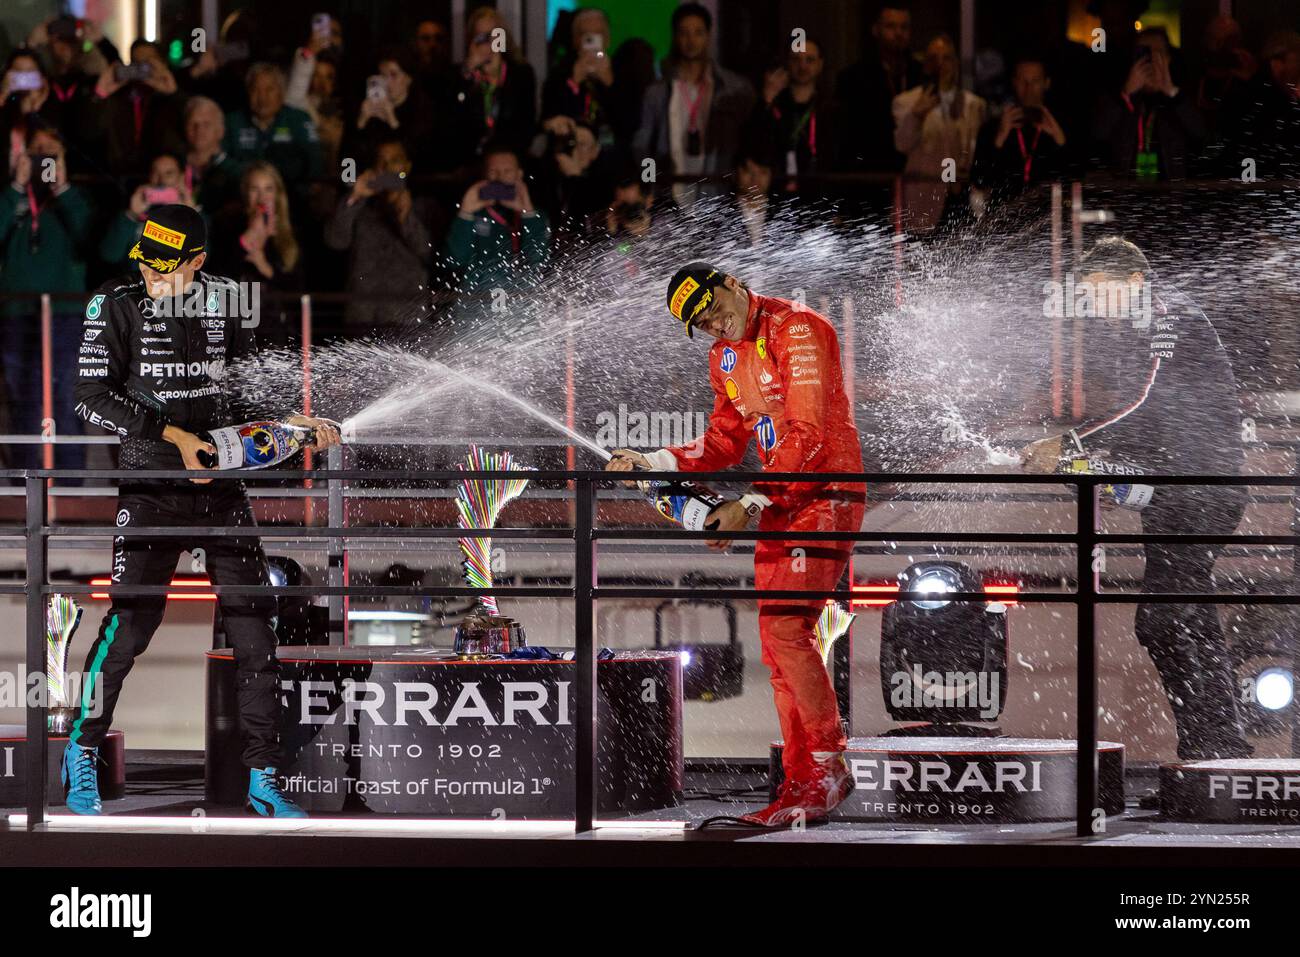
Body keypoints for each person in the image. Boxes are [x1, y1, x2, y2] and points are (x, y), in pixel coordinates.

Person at [65, 203, 341, 816]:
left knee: (253, 628)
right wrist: (171, 438)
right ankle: (80, 751)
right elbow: (86, 396)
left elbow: (250, 385)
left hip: (221, 486)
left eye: (170, 270)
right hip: (151, 485)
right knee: (131, 626)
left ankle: (262, 776)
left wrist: (294, 424)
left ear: (199, 261)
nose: (157, 280)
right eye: (149, 266)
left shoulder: (228, 302)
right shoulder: (112, 304)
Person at [607, 263, 865, 827]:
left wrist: (746, 505)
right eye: (701, 324)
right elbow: (724, 442)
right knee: (778, 647)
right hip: (779, 502)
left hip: (825, 495)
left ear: (731, 282)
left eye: (713, 310)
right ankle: (802, 782)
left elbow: (809, 433)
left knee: (786, 632)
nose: (714, 326)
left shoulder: (797, 327)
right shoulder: (723, 357)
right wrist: (653, 462)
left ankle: (828, 766)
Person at [1020, 237, 1251, 760]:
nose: (1093, 307)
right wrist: (1093, 463)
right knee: (1185, 613)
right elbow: (1151, 423)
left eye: (1099, 293)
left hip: (1204, 490)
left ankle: (1216, 746)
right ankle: (1215, 745)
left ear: (1135, 283)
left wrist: (1072, 442)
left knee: (1164, 616)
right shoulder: (1136, 329)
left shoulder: (1170, 314)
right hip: (1178, 489)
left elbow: (1148, 405)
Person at [0, 126, 92, 472]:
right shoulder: (11, 195)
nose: (43, 161)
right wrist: (14, 186)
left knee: (65, 397)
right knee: (23, 398)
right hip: (17, 311)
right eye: (36, 153)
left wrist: (63, 187)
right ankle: (22, 482)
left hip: (65, 312)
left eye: (51, 154)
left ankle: (70, 486)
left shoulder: (74, 199)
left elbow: (90, 239)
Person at [632, 3, 756, 208]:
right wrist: (650, 182)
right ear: (675, 36)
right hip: (670, 194)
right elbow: (641, 145)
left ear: (708, 35)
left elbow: (747, 139)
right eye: (684, 33)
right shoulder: (658, 92)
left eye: (698, 32)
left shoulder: (732, 87)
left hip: (719, 192)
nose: (691, 40)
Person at [325, 137, 444, 331]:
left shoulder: (425, 206)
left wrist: (405, 217)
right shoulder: (360, 207)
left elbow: (430, 254)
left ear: (407, 166)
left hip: (408, 321)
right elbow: (335, 241)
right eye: (381, 162)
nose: (387, 167)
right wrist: (355, 196)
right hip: (361, 318)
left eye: (394, 161)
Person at [892, 34, 987, 234]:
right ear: (926, 64)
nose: (941, 64)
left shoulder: (974, 105)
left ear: (956, 63)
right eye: (934, 58)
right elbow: (902, 145)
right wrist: (917, 115)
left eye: (947, 58)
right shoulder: (906, 102)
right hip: (925, 197)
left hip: (962, 197)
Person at [1092, 28, 1205, 181]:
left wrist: (1171, 92)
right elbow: (1098, 136)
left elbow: (1202, 136)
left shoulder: (1180, 99)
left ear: (1168, 58)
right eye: (1143, 53)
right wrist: (1126, 94)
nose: (1150, 60)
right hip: (1127, 195)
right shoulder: (1119, 99)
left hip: (1171, 195)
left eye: (1157, 53)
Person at [446, 145, 549, 297]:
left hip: (521, 303)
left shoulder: (535, 216)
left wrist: (527, 212)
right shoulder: (472, 214)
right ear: (484, 176)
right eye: (493, 171)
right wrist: (466, 212)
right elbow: (454, 261)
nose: (500, 178)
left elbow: (538, 262)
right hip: (478, 303)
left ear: (519, 175)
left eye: (507, 171)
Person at [970, 56, 1067, 211]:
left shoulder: (1059, 126)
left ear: (1046, 83)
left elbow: (1076, 179)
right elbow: (979, 182)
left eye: (1035, 81)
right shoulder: (993, 127)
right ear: (1014, 83)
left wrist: (1060, 141)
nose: (1028, 88)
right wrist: (999, 140)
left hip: (1049, 220)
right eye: (1023, 81)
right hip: (1004, 220)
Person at [450, 6, 538, 168]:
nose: (489, 43)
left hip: (509, 160)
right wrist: (467, 75)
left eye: (494, 36)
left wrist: (497, 80)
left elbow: (526, 126)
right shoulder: (459, 76)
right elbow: (452, 124)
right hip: (469, 162)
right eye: (481, 37)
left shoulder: (520, 74)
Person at [222, 63, 323, 201]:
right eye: (255, 90)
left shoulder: (298, 119)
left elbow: (315, 160)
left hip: (293, 198)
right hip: (243, 197)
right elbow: (221, 160)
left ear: (281, 92)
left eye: (269, 90)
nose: (262, 98)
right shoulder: (232, 121)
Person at [755, 35, 828, 194]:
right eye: (796, 59)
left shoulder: (830, 108)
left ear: (820, 64)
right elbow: (756, 146)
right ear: (787, 63)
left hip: (820, 197)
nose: (803, 66)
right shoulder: (774, 105)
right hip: (778, 195)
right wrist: (767, 101)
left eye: (810, 60)